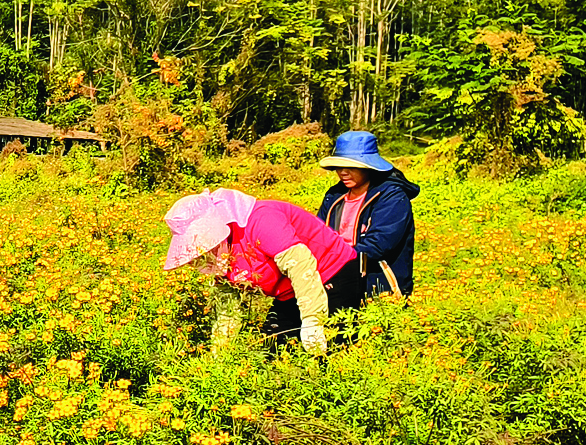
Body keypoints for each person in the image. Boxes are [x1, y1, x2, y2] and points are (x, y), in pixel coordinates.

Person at [162, 187, 360, 352]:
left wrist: (312, 321)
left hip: (333, 272)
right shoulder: (216, 256)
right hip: (287, 291)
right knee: (272, 350)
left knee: (330, 347)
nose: (203, 257)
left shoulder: (261, 219)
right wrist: (220, 353)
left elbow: (301, 267)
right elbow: (227, 308)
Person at [315, 130, 419, 301]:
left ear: (369, 167)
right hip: (335, 277)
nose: (343, 172)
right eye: (339, 167)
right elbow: (318, 233)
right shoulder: (334, 195)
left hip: (378, 287)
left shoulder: (392, 197)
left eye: (351, 166)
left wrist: (334, 259)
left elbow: (379, 245)